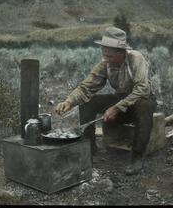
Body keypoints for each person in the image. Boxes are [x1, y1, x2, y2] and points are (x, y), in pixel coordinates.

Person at [56, 27, 157, 175]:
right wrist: (69, 102)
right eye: (104, 55)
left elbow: (142, 90)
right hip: (122, 100)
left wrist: (116, 108)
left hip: (141, 100)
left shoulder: (136, 58)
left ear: (121, 53)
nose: (106, 59)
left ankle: (137, 157)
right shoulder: (106, 63)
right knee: (87, 101)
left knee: (144, 105)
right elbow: (86, 87)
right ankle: (88, 149)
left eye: (109, 56)